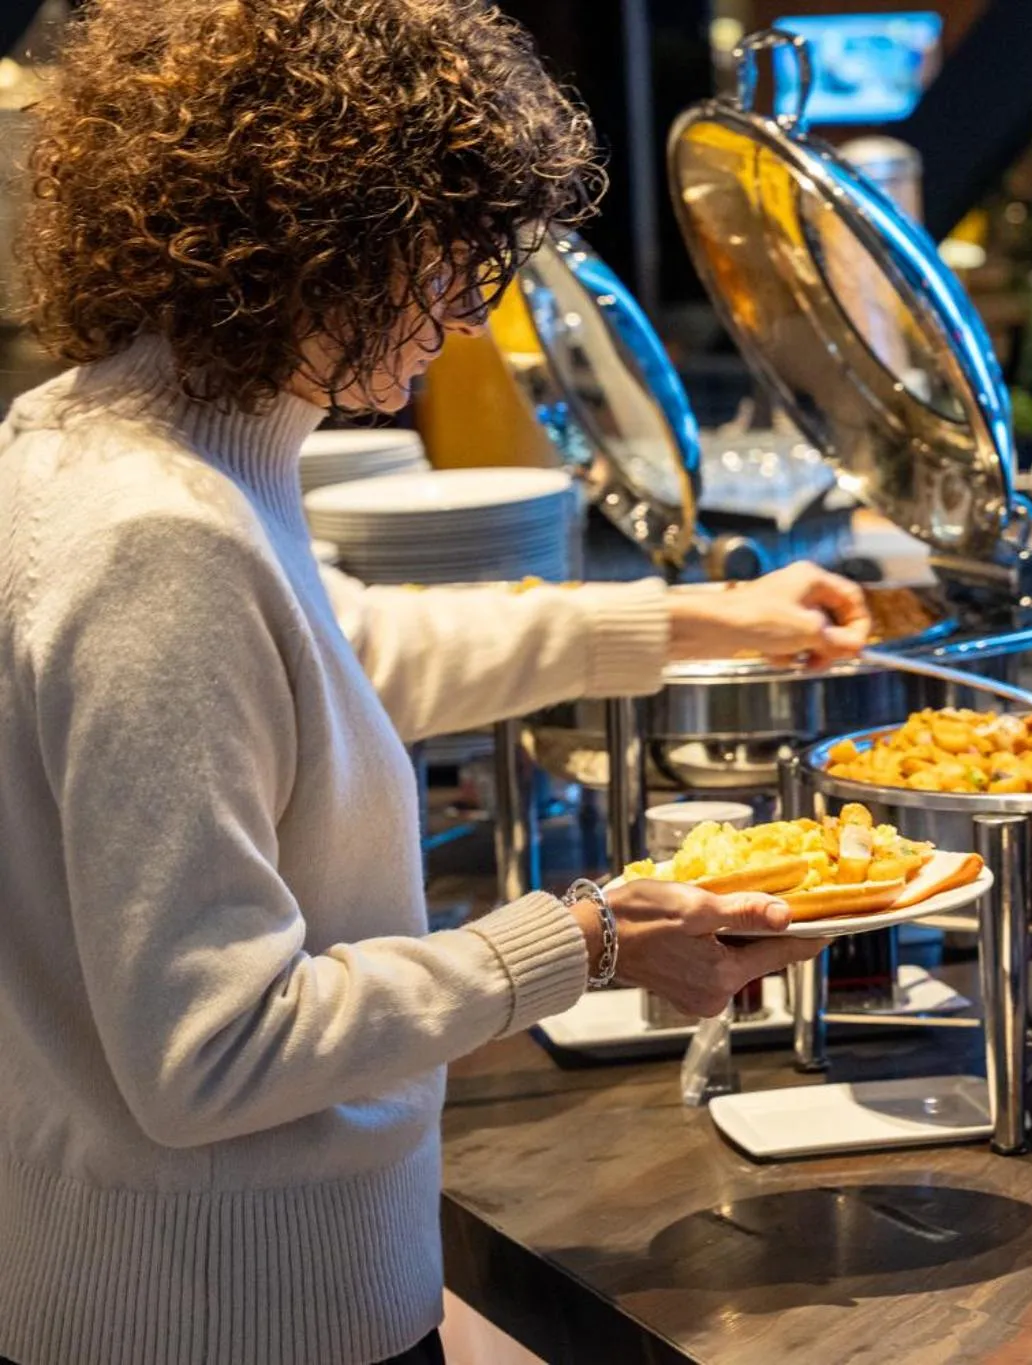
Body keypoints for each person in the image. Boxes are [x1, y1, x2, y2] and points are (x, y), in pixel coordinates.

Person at [0, 2, 866, 1362]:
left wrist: (701, 618)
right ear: (323, 241)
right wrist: (584, 941)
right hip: (233, 1322)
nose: (463, 320)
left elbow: (339, 657)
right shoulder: (161, 536)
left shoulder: (99, 441)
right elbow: (212, 1047)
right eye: (448, 263)